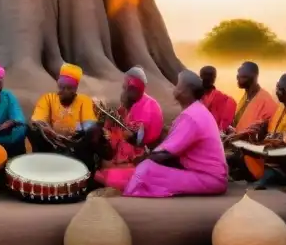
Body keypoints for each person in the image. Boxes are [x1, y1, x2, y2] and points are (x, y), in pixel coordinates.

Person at [124, 70, 227, 198]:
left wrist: (145, 159)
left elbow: (167, 153)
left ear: (186, 91)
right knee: (147, 167)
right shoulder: (196, 110)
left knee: (146, 170)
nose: (175, 87)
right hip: (207, 176)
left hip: (209, 179)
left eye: (178, 84)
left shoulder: (192, 115)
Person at [94, 67, 165, 191]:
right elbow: (117, 120)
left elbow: (136, 138)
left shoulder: (147, 106)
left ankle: (112, 172)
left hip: (139, 150)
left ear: (131, 87)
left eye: (125, 87)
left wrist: (113, 134)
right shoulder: (133, 102)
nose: (123, 90)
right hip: (131, 144)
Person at [242, 73, 286, 183]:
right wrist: (261, 128)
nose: (276, 91)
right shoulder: (280, 108)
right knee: (243, 150)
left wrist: (284, 141)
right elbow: (271, 130)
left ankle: (274, 175)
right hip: (269, 152)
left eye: (279, 88)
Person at [28, 63, 100, 169]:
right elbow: (38, 119)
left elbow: (89, 123)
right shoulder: (48, 98)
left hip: (75, 145)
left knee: (91, 134)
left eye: (67, 88)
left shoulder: (84, 100)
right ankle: (40, 165)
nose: (62, 91)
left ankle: (83, 171)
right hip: (52, 143)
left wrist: (77, 131)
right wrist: (47, 129)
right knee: (33, 130)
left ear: (74, 89)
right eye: (60, 87)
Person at [224, 61, 278, 179]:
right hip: (236, 146)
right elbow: (239, 125)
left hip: (253, 155)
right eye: (238, 76)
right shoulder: (245, 98)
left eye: (242, 76)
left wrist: (242, 136)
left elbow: (265, 132)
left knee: (222, 160)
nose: (238, 79)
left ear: (254, 77)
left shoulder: (266, 100)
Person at [199, 66, 236, 132]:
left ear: (200, 77)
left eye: (208, 76)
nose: (207, 78)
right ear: (214, 78)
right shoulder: (225, 99)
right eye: (206, 76)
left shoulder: (192, 95)